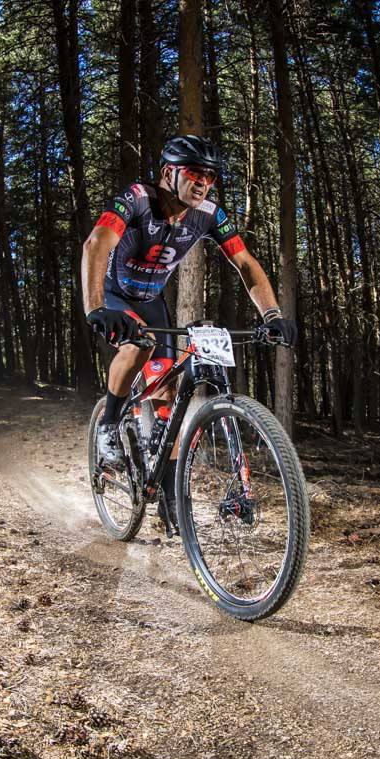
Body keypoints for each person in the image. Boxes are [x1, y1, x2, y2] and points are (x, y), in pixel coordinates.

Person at [80, 134, 297, 533]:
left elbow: (245, 263)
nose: (203, 184)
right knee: (139, 343)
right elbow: (96, 244)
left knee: (167, 395)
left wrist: (272, 313)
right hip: (115, 295)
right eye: (195, 174)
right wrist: (95, 308)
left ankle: (170, 500)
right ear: (168, 173)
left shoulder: (209, 214)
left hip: (151, 298)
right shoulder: (136, 199)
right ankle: (109, 426)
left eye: (210, 178)